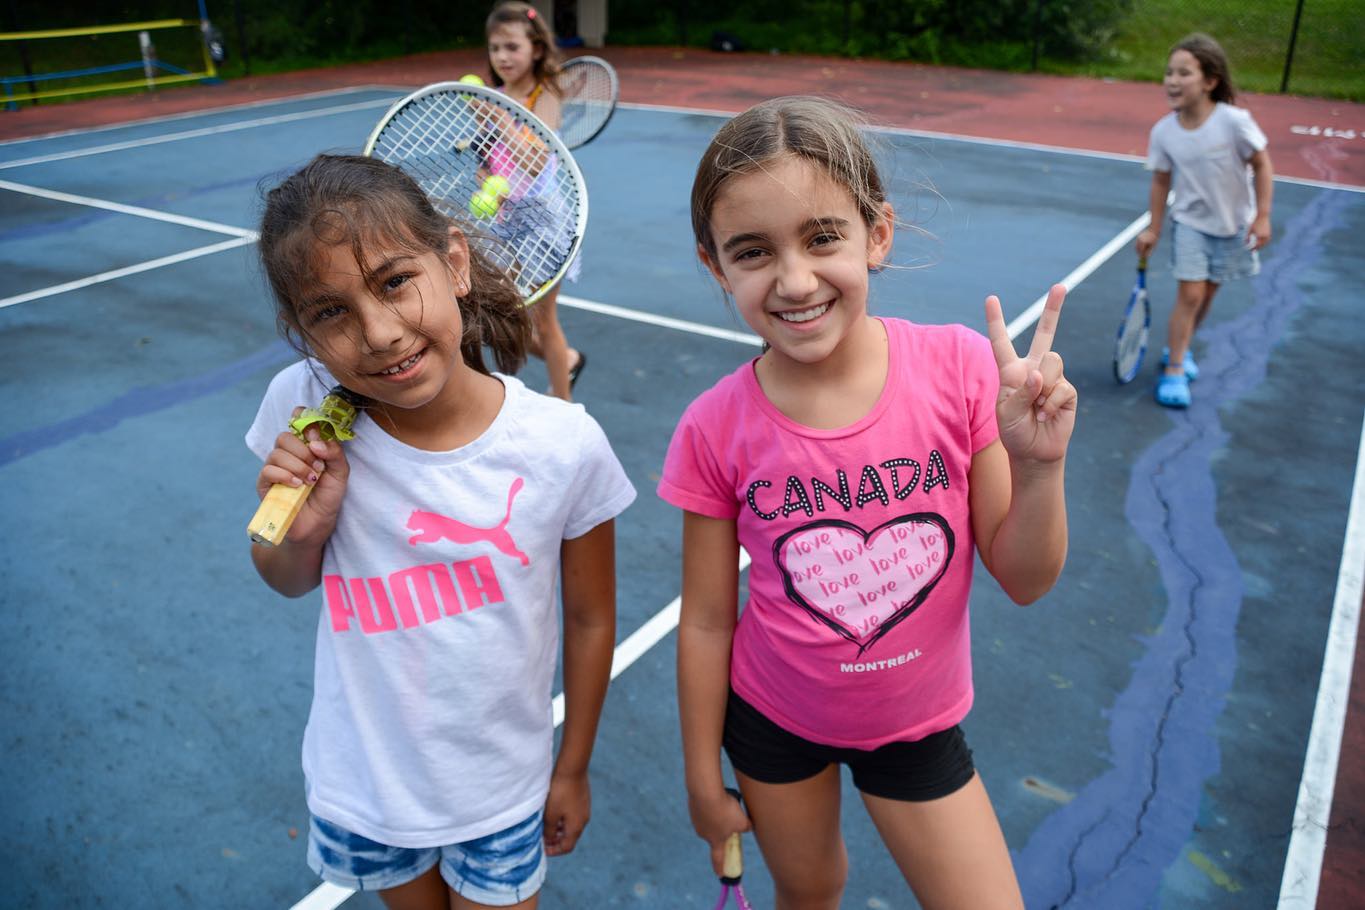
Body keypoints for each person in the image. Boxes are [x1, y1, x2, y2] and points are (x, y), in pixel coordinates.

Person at [657, 97, 1076, 910]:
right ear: (716, 267)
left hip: (915, 729)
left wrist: (1037, 471)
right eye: (752, 252)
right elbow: (707, 619)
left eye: (822, 238)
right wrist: (700, 776)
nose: (793, 280)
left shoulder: (957, 370)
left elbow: (1024, 579)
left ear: (875, 233)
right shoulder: (713, 427)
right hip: (772, 724)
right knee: (812, 890)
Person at [246, 153, 635, 909]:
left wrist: (573, 766)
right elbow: (285, 578)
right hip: (366, 784)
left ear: (453, 260)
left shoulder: (562, 443)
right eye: (331, 313)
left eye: (395, 282)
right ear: (301, 331)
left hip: (500, 789)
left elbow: (590, 619)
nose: (381, 332)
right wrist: (302, 529)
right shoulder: (299, 405)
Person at [1135, 32, 1273, 409]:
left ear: (1210, 81)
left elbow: (1262, 164)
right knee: (1191, 293)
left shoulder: (1234, 122)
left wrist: (1261, 216)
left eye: (1184, 73)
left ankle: (1177, 348)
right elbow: (1161, 179)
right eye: (1169, 73)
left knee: (1209, 293)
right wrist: (1154, 227)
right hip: (1190, 225)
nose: (1172, 80)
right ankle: (1175, 367)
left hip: (1232, 226)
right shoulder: (1164, 131)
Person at [483, 0, 586, 401]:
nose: (502, 57)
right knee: (501, 324)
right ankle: (569, 360)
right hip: (505, 221)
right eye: (495, 48)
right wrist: (487, 182)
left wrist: (500, 117)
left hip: (545, 222)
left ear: (536, 50)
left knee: (544, 323)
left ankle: (564, 407)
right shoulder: (493, 97)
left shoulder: (546, 95)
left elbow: (533, 160)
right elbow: (491, 162)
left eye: (512, 47)